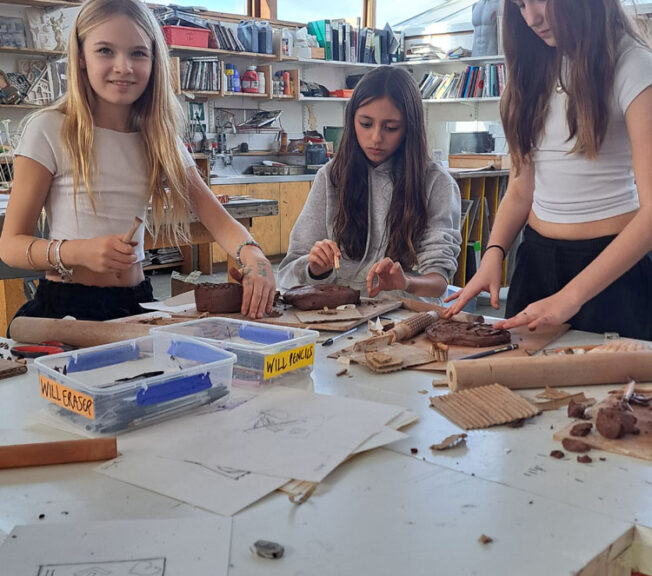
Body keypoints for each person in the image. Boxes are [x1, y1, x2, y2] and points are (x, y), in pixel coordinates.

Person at [0, 0, 275, 326]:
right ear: (82, 58)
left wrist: (254, 256)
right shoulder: (49, 129)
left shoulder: (158, 135)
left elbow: (216, 218)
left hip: (137, 303)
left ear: (154, 60)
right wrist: (78, 252)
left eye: (138, 53)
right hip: (66, 308)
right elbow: (11, 246)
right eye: (105, 50)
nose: (123, 66)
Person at [446, 0, 652, 340]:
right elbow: (520, 190)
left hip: (613, 272)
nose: (530, 19)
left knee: (607, 394)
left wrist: (569, 297)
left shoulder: (634, 66)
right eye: (520, 5)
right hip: (535, 263)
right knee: (512, 391)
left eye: (539, 0)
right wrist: (494, 253)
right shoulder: (532, 67)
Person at [278, 66, 461, 301]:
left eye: (391, 127)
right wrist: (314, 268)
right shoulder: (331, 176)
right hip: (340, 314)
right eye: (365, 124)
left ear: (409, 128)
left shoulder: (437, 184)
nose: (376, 138)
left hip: (407, 317)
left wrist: (406, 282)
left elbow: (438, 283)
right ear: (352, 121)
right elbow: (289, 271)